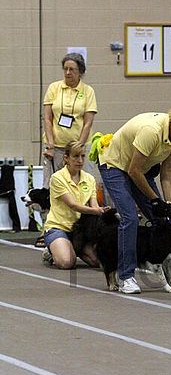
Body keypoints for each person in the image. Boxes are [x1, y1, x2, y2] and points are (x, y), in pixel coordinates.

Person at [98, 102, 171, 294]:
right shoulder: (152, 132)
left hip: (140, 171)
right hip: (115, 167)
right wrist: (154, 200)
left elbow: (166, 172)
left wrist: (168, 204)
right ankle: (126, 277)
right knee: (130, 218)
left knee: (164, 221)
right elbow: (133, 171)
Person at [36, 53, 98, 248]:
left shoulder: (87, 91)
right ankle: (46, 229)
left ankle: (85, 230)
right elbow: (47, 118)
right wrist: (51, 146)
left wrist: (78, 148)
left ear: (81, 72)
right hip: (55, 147)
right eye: (66, 69)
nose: (68, 73)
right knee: (48, 189)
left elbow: (88, 122)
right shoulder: (54, 88)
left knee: (83, 186)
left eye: (72, 69)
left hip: (76, 146)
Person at [43, 141, 105, 269]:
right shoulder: (57, 178)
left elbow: (94, 205)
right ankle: (52, 251)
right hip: (59, 227)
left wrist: (102, 210)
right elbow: (73, 205)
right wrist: (97, 211)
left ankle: (71, 247)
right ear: (66, 158)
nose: (80, 160)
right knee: (66, 263)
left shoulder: (90, 179)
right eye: (76, 156)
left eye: (82, 156)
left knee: (97, 262)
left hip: (80, 231)